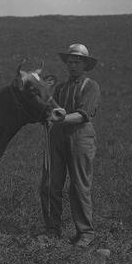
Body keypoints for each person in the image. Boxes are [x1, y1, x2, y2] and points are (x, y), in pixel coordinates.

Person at [39, 44, 101, 248]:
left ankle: (85, 233)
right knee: (50, 184)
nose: (72, 65)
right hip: (57, 137)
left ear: (85, 64)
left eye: (77, 62)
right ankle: (52, 229)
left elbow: (84, 115)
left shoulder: (90, 86)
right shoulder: (61, 88)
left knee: (79, 186)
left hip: (80, 138)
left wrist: (57, 118)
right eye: (70, 62)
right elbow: (50, 110)